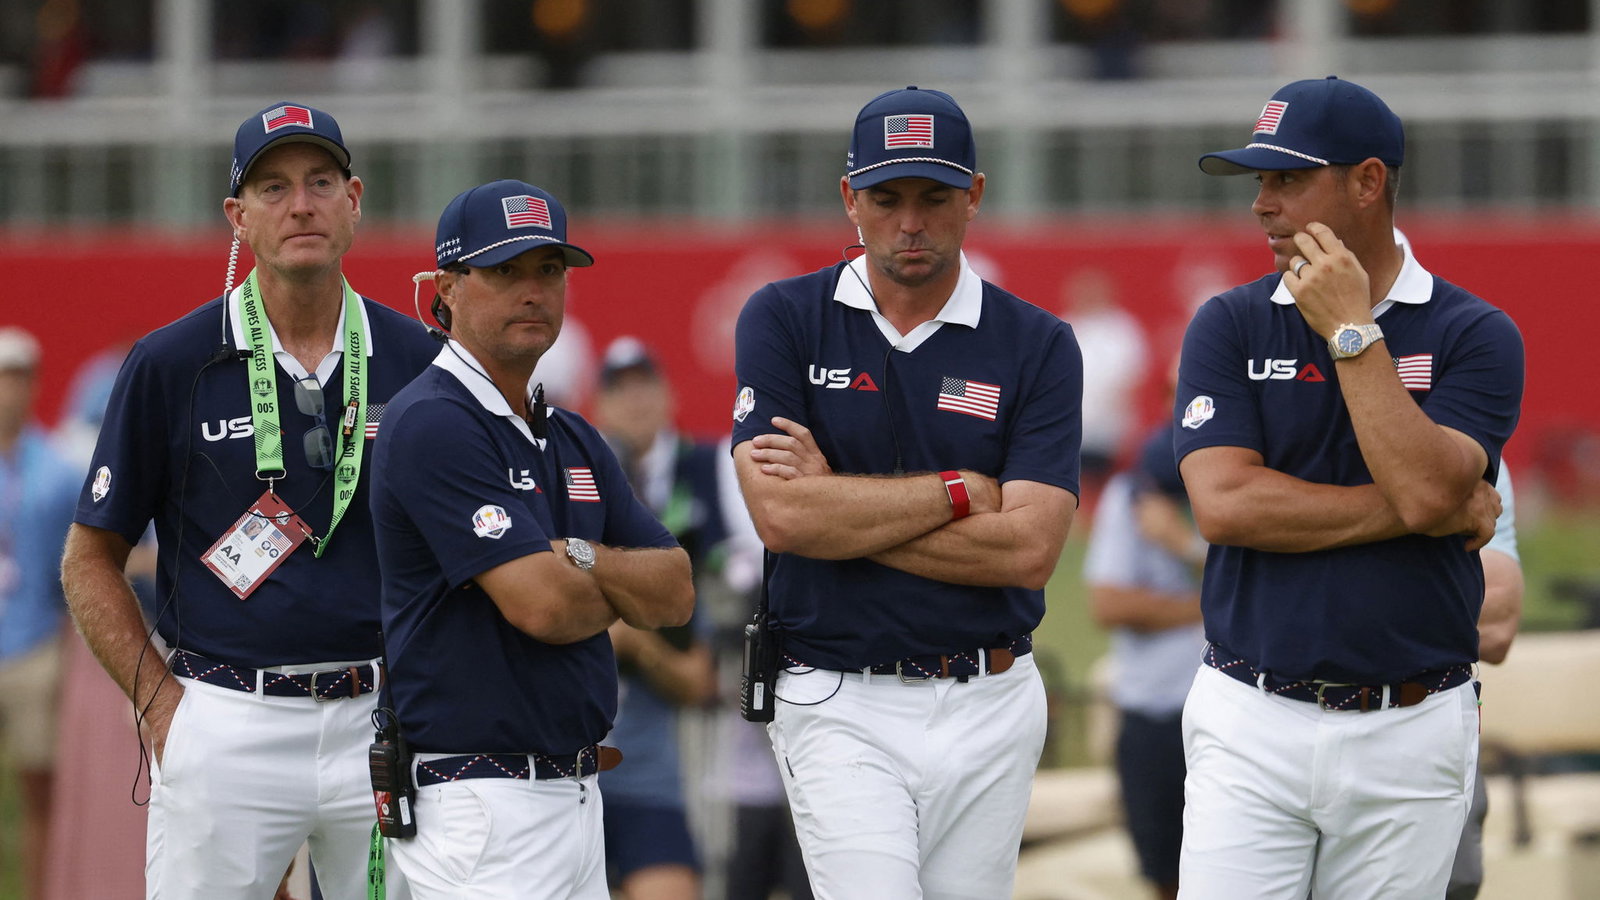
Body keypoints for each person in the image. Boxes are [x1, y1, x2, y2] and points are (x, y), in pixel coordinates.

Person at [60, 101, 441, 899]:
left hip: (388, 718)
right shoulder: (171, 361)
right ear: (237, 216)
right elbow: (89, 558)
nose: (300, 204)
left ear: (355, 199)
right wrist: (163, 709)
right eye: (272, 188)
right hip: (227, 716)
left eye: (320, 182)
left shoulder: (422, 360)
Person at [1174, 76, 1524, 898]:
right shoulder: (1227, 321)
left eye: (1287, 179)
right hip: (1247, 712)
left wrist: (1350, 332)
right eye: (1259, 182)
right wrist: (1419, 508)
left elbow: (1432, 492)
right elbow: (1227, 505)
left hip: (1414, 723)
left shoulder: (1475, 331)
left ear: (1369, 183)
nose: (1263, 204)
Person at [730, 86, 1083, 900]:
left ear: (976, 198)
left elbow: (1029, 550)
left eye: (935, 197)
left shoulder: (1038, 343)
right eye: (886, 198)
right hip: (835, 693)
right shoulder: (784, 317)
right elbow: (782, 515)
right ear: (849, 198)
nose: (910, 222)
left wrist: (840, 511)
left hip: (993, 698)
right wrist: (960, 492)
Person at [369, 179, 694, 898]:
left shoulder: (570, 432)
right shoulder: (434, 420)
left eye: (548, 270)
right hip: (481, 801)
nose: (532, 290)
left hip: (569, 793)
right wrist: (614, 586)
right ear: (447, 289)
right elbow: (542, 608)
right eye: (505, 271)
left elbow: (676, 591)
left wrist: (577, 555)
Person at [590, 335, 720, 900]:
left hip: (647, 782)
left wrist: (636, 645)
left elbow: (699, 682)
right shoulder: (552, 554)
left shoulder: (672, 559)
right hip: (560, 783)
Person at [1083, 420, 1205, 900]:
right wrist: (1226, 601)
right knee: (1164, 873)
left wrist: (1187, 548)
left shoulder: (1261, 484)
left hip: (1237, 713)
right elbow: (1110, 605)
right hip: (1154, 710)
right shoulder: (1132, 492)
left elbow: (1280, 602)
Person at [0, 328, 81, 899]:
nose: (7, 391)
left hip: (34, 644)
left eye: (17, 377)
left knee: (39, 792)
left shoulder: (56, 469)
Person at [1449, 462, 1524, 900]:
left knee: (1451, 885)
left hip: (1427, 716)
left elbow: (1497, 628)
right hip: (1261, 714)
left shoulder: (1469, 451)